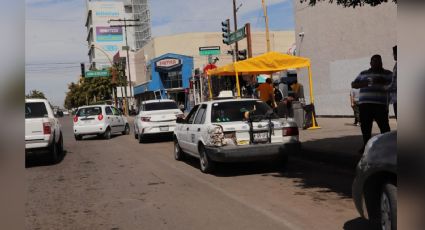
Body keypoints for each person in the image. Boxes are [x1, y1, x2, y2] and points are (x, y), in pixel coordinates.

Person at [352, 54, 393, 153]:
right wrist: (364, 83)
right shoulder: (363, 73)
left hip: (380, 105)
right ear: (370, 63)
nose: (376, 63)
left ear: (381, 63)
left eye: (378, 61)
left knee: (384, 127)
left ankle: (388, 146)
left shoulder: (388, 74)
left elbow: (394, 85)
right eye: (374, 61)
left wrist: (383, 81)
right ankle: (366, 146)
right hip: (365, 105)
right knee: (365, 127)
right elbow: (353, 84)